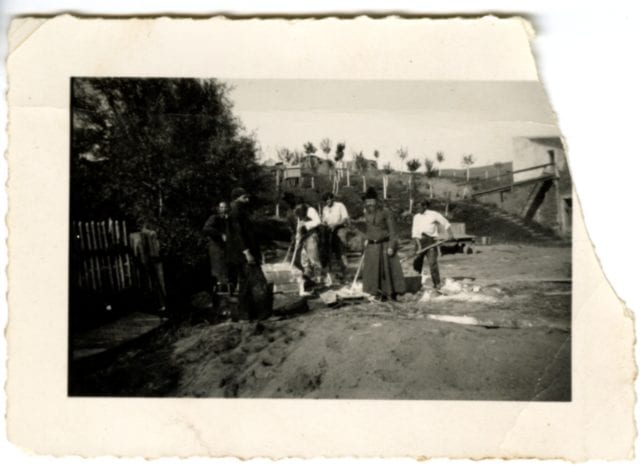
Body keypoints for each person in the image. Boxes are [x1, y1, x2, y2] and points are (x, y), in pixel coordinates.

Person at [226, 187, 271, 321]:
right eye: (244, 197)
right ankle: (263, 314)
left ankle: (245, 316)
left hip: (239, 255)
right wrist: (247, 252)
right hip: (244, 254)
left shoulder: (236, 210)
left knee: (245, 285)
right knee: (258, 282)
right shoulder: (236, 212)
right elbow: (238, 235)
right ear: (237, 198)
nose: (248, 199)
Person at [359, 187, 405, 300]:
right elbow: (369, 229)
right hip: (372, 247)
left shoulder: (385, 212)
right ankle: (375, 293)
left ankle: (390, 294)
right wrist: (366, 240)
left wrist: (391, 246)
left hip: (384, 246)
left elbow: (393, 231)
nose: (369, 203)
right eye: (367, 201)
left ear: (376, 200)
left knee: (387, 272)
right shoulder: (366, 213)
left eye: (371, 200)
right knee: (372, 272)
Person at [411, 199, 455, 290]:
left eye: (419, 207)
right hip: (419, 241)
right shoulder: (416, 217)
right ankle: (416, 285)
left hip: (431, 241)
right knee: (417, 262)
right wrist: (419, 246)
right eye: (417, 207)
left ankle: (437, 284)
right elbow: (415, 232)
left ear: (425, 206)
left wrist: (450, 234)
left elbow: (446, 223)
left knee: (432, 263)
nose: (418, 209)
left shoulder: (433, 214)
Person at [202, 201, 233, 295]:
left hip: (226, 248)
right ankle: (218, 295)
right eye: (222, 207)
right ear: (219, 209)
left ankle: (229, 292)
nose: (224, 209)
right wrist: (219, 234)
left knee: (227, 270)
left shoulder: (228, 219)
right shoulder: (214, 218)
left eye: (225, 207)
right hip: (216, 248)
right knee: (218, 271)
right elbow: (206, 229)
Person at [293, 201, 323, 291]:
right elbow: (299, 226)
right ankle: (308, 279)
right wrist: (297, 239)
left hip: (311, 236)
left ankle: (318, 279)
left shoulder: (311, 210)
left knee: (314, 258)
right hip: (304, 237)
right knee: (304, 259)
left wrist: (306, 225)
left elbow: (318, 222)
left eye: (301, 216)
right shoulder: (298, 212)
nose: (300, 218)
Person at [321, 192, 350, 282]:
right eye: (326, 200)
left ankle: (346, 274)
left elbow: (345, 219)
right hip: (329, 231)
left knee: (340, 252)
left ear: (332, 198)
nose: (327, 201)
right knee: (328, 252)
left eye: (329, 199)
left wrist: (335, 224)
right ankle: (330, 275)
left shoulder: (340, 205)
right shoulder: (325, 209)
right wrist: (324, 224)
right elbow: (324, 220)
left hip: (340, 229)